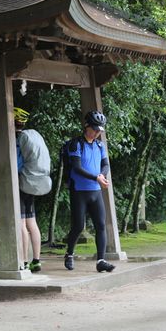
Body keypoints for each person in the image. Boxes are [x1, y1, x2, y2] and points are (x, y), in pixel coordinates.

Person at [63, 110, 116, 273]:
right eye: (94, 129)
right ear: (86, 126)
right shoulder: (76, 144)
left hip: (95, 191)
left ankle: (101, 260)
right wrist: (97, 178)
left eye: (99, 130)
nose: (97, 132)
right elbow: (77, 167)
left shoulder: (100, 145)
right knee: (78, 226)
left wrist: (102, 175)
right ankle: (69, 254)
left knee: (101, 225)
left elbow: (105, 164)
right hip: (79, 191)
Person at [14, 107, 50, 273]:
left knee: (21, 223)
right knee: (32, 223)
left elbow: (17, 164)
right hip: (35, 183)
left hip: (22, 184)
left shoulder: (17, 139)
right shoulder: (32, 135)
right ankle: (36, 260)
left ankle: (23, 262)